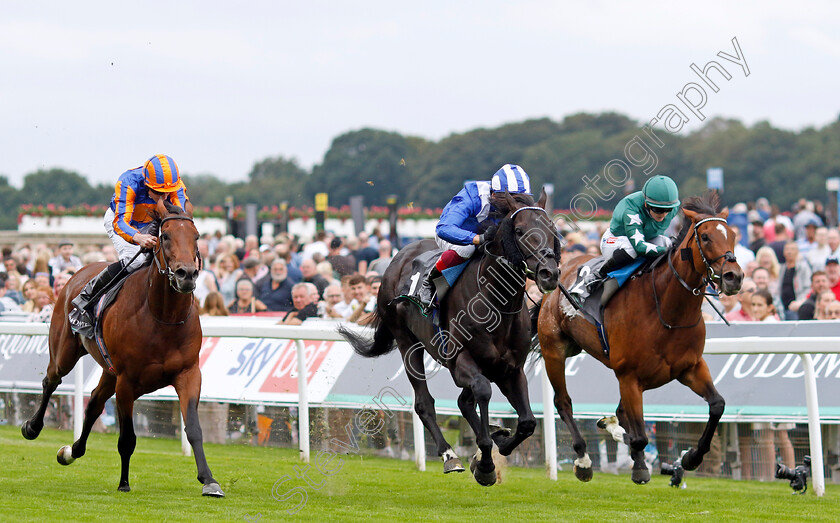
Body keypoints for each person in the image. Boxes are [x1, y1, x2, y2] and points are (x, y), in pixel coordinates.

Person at [69, 154, 189, 336]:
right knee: (135, 262)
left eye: (168, 192)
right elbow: (121, 223)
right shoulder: (128, 182)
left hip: (153, 220)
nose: (164, 197)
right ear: (147, 184)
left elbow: (179, 217)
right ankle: (85, 299)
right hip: (123, 221)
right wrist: (138, 238)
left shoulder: (176, 187)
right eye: (158, 192)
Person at [418, 164, 533, 311]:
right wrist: (478, 239)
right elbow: (444, 228)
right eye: (511, 200)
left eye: (520, 200)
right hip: (456, 237)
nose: (515, 206)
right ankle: (429, 284)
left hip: (489, 240)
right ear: (493, 195)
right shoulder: (473, 195)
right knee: (467, 249)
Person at [594, 175, 680, 293]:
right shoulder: (631, 210)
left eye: (668, 210)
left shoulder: (674, 207)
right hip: (616, 240)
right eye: (658, 209)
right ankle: (599, 274)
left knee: (667, 242)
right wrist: (668, 251)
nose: (664, 214)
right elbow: (639, 247)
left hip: (647, 239)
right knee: (631, 249)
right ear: (646, 204)